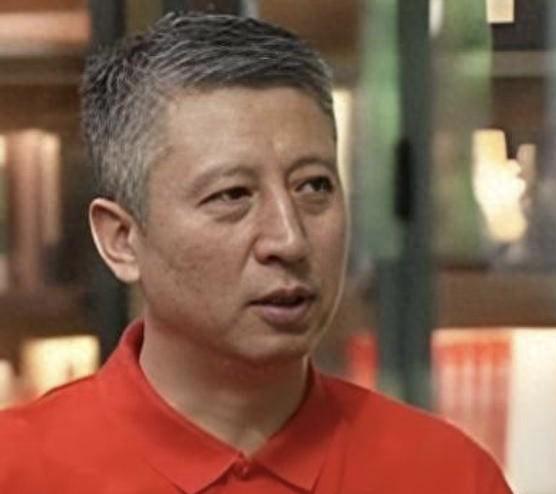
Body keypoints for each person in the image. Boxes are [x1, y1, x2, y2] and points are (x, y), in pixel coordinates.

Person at [0, 12, 512, 493]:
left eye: (313, 186)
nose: (289, 240)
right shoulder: (19, 469)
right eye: (232, 195)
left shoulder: (447, 474)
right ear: (120, 239)